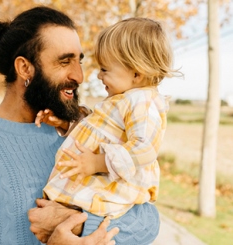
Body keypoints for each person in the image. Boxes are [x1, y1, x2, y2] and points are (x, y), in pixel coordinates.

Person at [0, 6, 120, 245]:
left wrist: (78, 223)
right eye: (64, 61)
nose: (78, 75)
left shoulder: (82, 134)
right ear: (25, 68)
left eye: (79, 61)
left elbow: (147, 220)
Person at [38, 17, 180, 244]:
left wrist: (97, 163)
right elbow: (97, 131)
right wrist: (64, 123)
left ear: (137, 73)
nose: (98, 75)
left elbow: (145, 150)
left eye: (105, 69)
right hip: (98, 186)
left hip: (115, 186)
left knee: (53, 218)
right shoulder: (123, 100)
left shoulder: (143, 101)